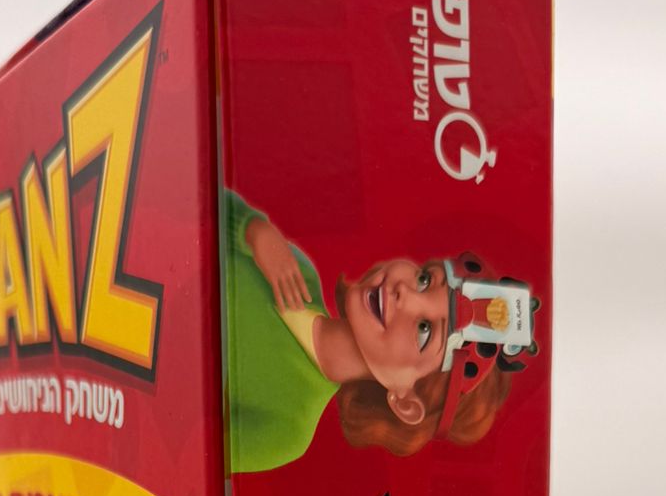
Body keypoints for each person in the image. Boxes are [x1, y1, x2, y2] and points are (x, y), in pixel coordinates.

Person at [222, 186, 537, 472]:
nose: (406, 294)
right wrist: (251, 229)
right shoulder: (299, 271)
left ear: (405, 402)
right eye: (425, 280)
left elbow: (195, 459)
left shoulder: (289, 428)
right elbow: (199, 195)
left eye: (425, 330)